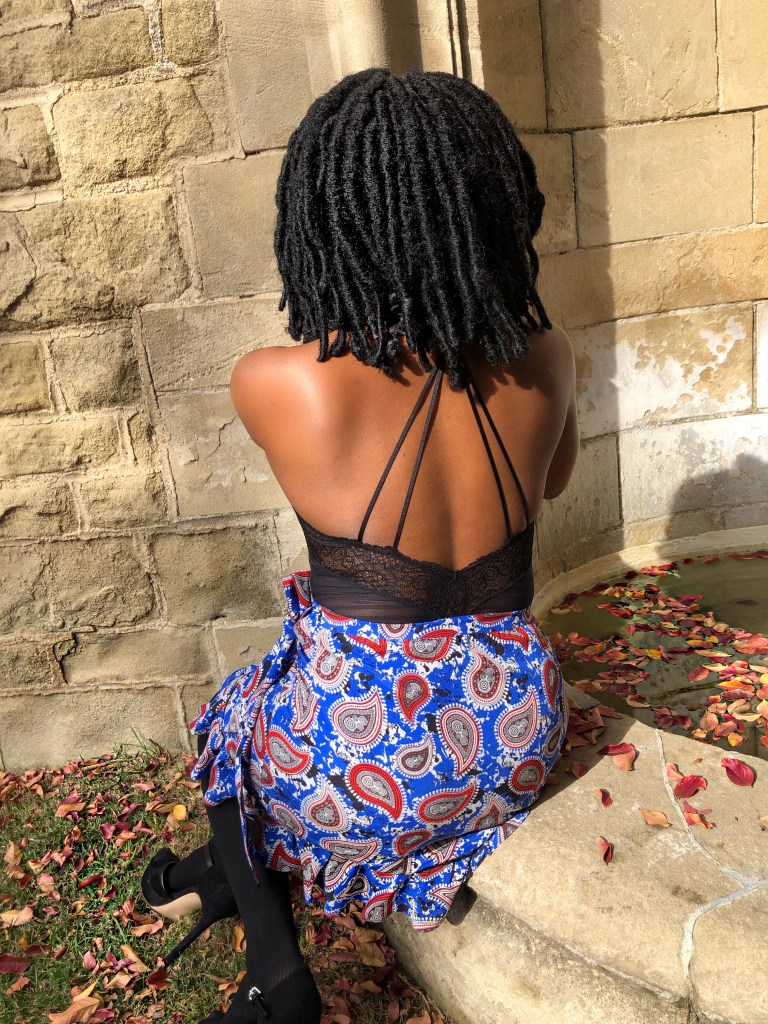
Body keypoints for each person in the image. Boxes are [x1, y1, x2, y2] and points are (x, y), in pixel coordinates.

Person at [140, 66, 579, 1024]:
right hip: (517, 728)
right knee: (278, 710)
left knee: (234, 719)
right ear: (493, 212)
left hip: (366, 748)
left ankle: (277, 977)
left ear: (326, 219)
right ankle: (209, 878)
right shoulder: (548, 357)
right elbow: (551, 484)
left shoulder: (276, 381)